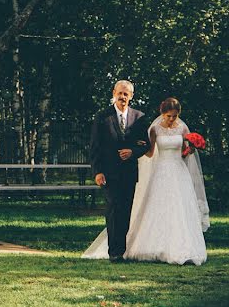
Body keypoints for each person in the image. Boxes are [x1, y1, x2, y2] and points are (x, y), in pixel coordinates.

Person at [83, 97, 210, 265]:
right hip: (161, 171)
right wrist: (137, 148)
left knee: (179, 207)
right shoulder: (155, 129)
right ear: (162, 114)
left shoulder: (183, 128)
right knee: (157, 207)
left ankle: (181, 246)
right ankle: (152, 246)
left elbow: (183, 154)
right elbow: (149, 154)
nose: (172, 119)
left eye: (174, 116)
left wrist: (191, 150)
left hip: (178, 171)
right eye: (169, 116)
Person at [88, 80, 150, 263]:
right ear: (114, 93)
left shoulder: (139, 117)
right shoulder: (102, 117)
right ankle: (114, 252)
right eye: (120, 93)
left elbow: (145, 144)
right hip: (108, 173)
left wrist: (133, 152)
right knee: (114, 208)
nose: (122, 97)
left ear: (131, 96)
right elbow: (94, 146)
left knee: (125, 211)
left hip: (129, 173)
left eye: (126, 94)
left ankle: (122, 250)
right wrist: (97, 172)